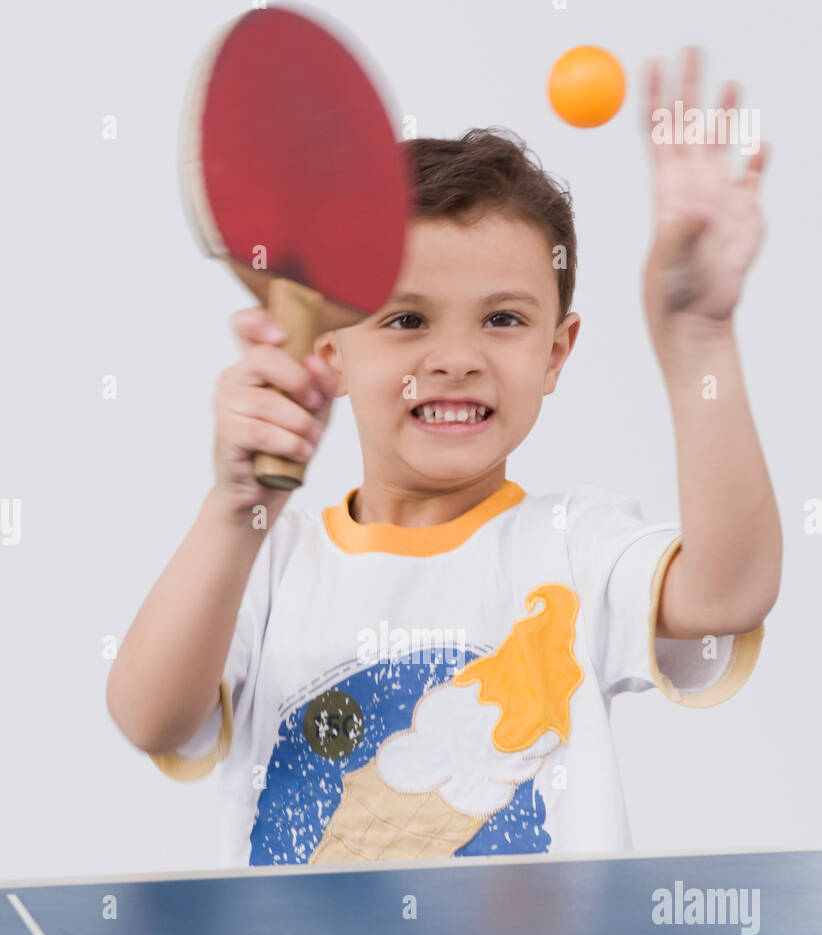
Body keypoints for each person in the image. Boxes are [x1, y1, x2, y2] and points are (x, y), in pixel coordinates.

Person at [106, 50, 781, 868]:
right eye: (406, 321)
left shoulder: (574, 546)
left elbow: (731, 591)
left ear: (557, 353)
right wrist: (233, 506)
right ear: (331, 350)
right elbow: (150, 717)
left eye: (502, 319)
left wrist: (698, 340)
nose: (457, 357)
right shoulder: (268, 564)